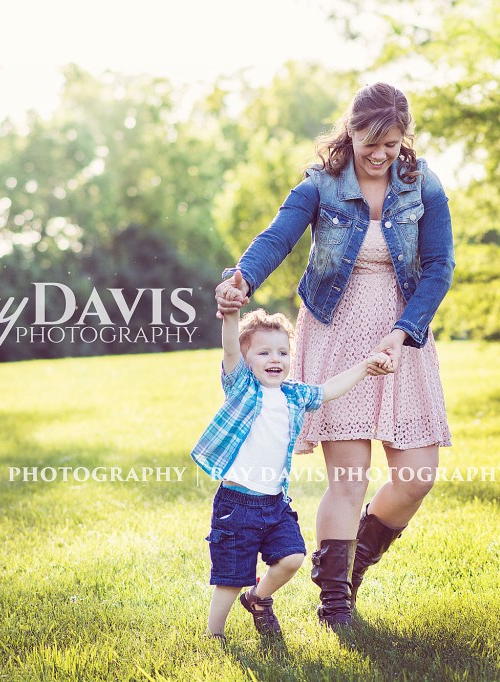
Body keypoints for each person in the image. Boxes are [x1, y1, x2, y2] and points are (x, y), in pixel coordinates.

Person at [214, 82, 455, 629]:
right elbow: (278, 237)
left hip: (402, 338)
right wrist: (241, 280)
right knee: (348, 478)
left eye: (392, 144)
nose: (380, 154)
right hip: (336, 334)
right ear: (350, 131)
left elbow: (439, 267)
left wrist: (403, 332)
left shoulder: (424, 186)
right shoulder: (321, 185)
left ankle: (354, 564)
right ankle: (335, 603)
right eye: (371, 141)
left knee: (417, 476)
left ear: (403, 140)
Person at [193, 282, 391, 638]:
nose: (275, 360)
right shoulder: (241, 387)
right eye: (264, 353)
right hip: (236, 504)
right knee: (230, 576)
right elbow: (229, 351)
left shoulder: (293, 395)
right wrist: (233, 315)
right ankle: (214, 634)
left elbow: (328, 389)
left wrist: (364, 367)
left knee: (293, 558)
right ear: (247, 359)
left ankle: (259, 597)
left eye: (282, 353)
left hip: (275, 503)